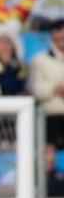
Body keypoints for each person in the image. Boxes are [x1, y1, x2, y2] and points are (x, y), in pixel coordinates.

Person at [30, 19, 64, 147]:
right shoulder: (39, 59)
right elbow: (35, 88)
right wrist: (55, 89)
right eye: (57, 31)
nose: (61, 35)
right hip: (50, 115)